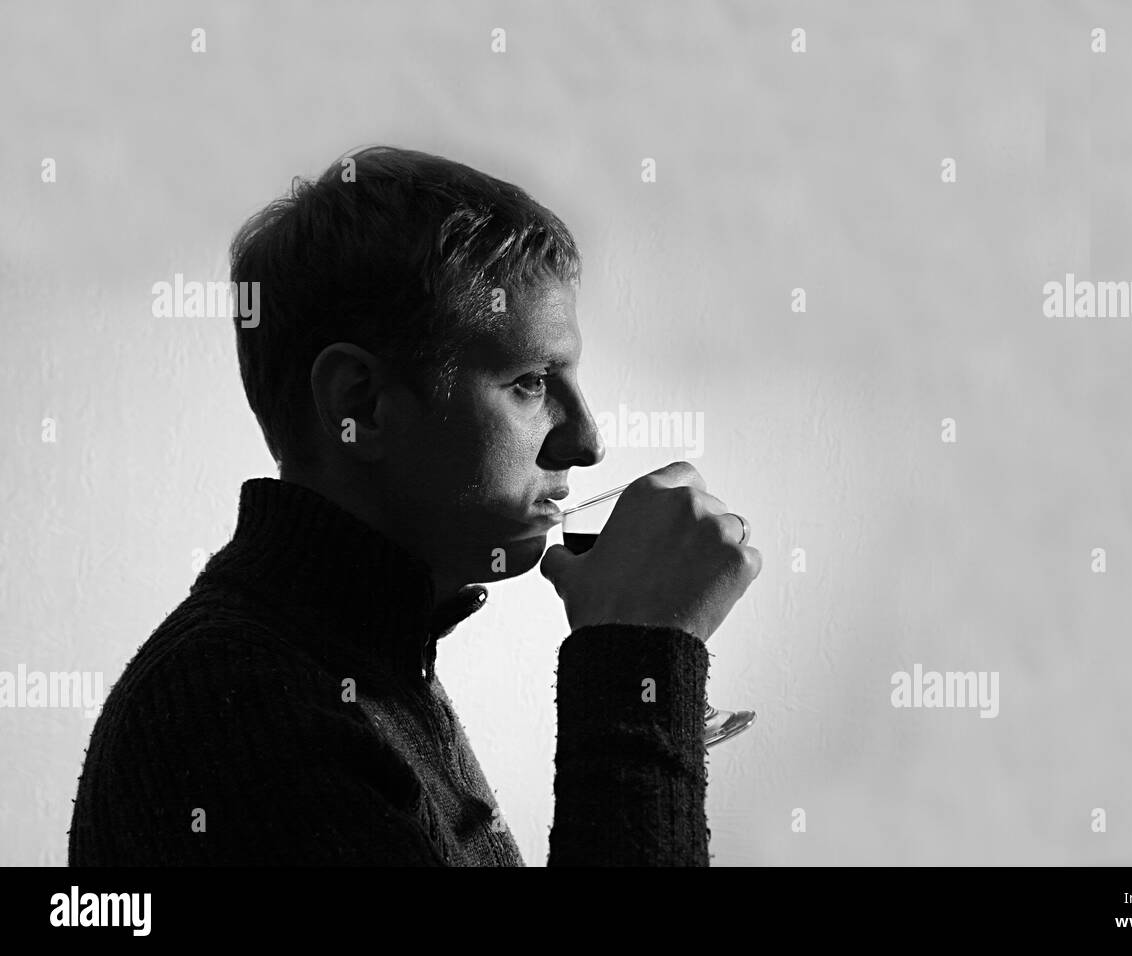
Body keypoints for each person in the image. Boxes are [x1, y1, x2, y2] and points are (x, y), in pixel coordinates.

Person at [67, 146, 762, 866]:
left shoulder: (353, 663)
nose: (587, 442)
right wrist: (636, 670)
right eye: (529, 381)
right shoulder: (246, 716)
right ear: (359, 404)